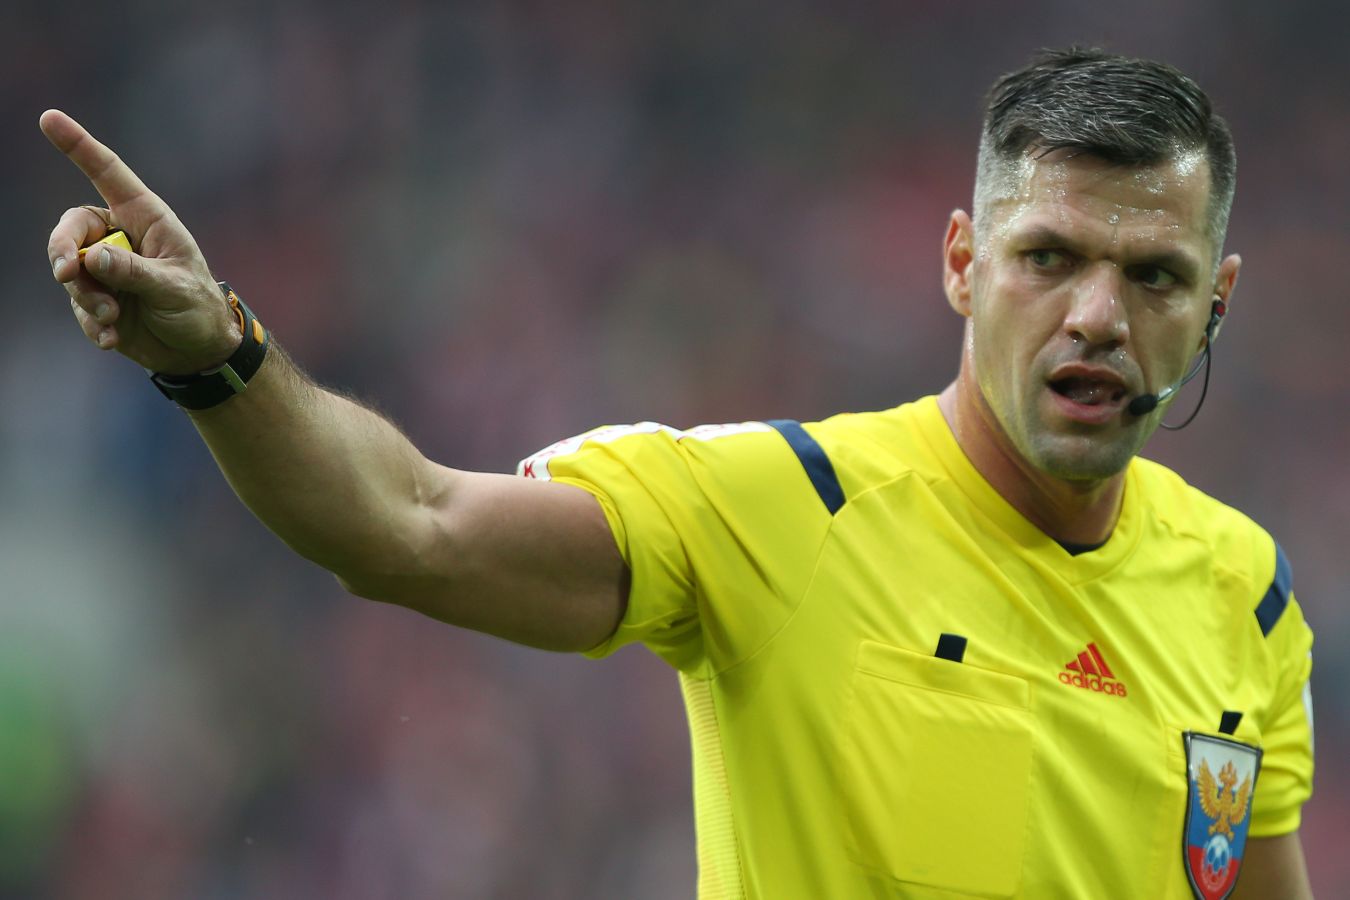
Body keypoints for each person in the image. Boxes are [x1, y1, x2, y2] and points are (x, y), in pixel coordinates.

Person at [43, 47, 1314, 898]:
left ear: (1216, 303)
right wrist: (219, 357)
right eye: (1048, 258)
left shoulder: (1246, 598)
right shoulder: (785, 509)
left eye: (1154, 277)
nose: (1097, 316)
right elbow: (407, 524)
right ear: (961, 265)